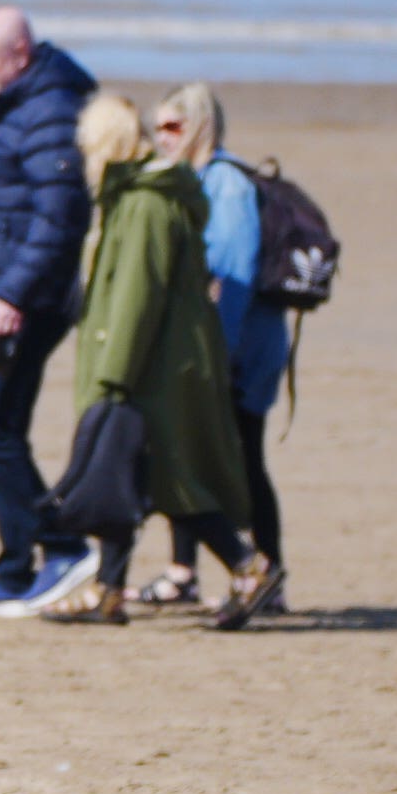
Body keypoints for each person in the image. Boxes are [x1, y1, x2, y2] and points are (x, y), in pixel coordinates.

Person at [28, 96, 275, 625]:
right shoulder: (140, 196)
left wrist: (112, 376)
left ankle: (247, 564)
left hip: (148, 370)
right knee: (120, 480)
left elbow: (137, 297)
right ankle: (108, 590)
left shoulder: (145, 203)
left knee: (170, 477)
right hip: (152, 364)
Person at [0, 6, 100, 611]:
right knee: (0, 426)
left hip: (28, 300)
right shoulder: (18, 103)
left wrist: (12, 293)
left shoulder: (51, 109)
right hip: (0, 296)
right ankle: (15, 569)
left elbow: (60, 217)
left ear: (21, 54)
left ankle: (62, 546)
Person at [131, 84, 291, 623]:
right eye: (157, 128)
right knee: (185, 448)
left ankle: (272, 575)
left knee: (244, 456)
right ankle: (182, 574)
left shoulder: (226, 183)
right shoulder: (189, 180)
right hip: (207, 346)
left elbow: (234, 277)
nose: (161, 138)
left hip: (243, 349)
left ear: (201, 126)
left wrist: (215, 354)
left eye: (173, 127)